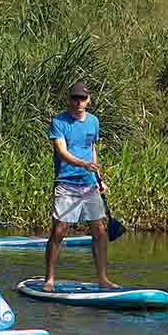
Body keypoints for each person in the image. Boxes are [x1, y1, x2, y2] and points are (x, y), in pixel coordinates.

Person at [43, 82, 117, 292]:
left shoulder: (94, 121)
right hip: (66, 182)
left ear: (88, 100)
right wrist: (83, 164)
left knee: (100, 230)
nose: (78, 102)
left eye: (82, 99)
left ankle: (103, 278)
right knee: (59, 230)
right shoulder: (59, 121)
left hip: (89, 183)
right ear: (69, 100)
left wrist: (98, 177)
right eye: (75, 98)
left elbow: (92, 148)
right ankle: (50, 279)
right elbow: (62, 152)